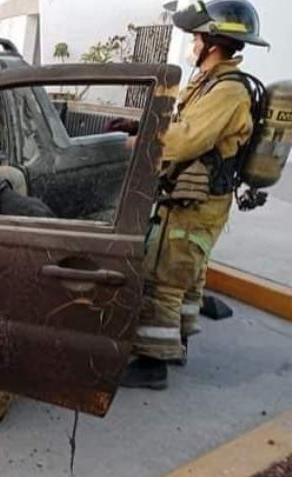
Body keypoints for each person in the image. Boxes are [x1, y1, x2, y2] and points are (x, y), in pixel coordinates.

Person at [121, 0, 270, 389]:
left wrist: (140, 144)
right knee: (187, 278)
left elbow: (186, 139)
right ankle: (178, 342)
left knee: (165, 276)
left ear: (212, 43)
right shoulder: (208, 83)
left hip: (196, 204)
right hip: (193, 201)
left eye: (196, 37)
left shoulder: (227, 91)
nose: (192, 43)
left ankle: (153, 362)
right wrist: (139, 122)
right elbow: (179, 119)